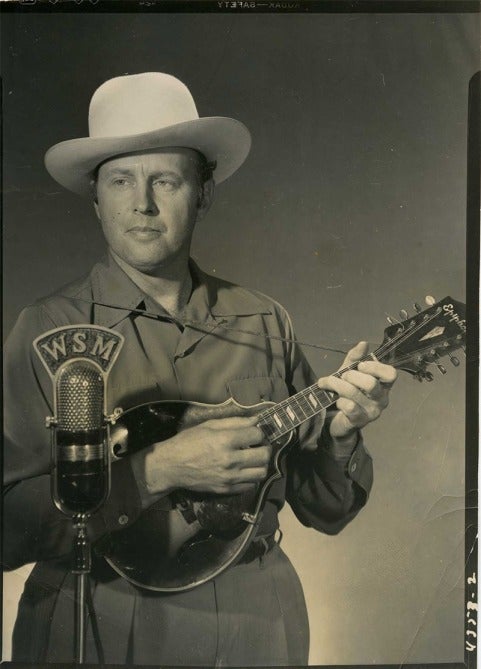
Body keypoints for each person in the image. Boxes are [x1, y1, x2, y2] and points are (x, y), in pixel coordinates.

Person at [3, 72, 397, 666]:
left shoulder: (265, 320)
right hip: (101, 619)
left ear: (203, 193)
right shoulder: (48, 331)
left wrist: (341, 435)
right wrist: (154, 470)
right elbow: (7, 527)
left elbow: (326, 509)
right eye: (120, 181)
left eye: (165, 179)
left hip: (254, 621)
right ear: (95, 197)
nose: (143, 203)